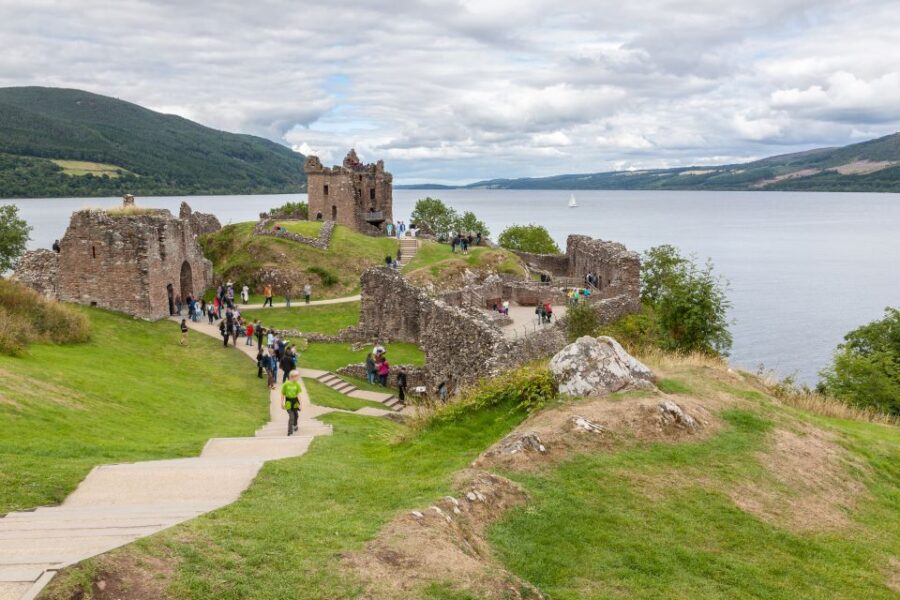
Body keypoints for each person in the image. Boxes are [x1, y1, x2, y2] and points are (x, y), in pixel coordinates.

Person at [282, 370, 302, 435]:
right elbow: (283, 394)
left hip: (295, 402)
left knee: (296, 415)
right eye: (297, 377)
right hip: (288, 402)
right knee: (291, 417)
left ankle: (295, 425)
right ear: (293, 376)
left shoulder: (297, 384)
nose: (298, 378)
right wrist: (282, 403)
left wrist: (300, 404)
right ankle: (289, 431)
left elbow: (298, 395)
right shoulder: (286, 384)